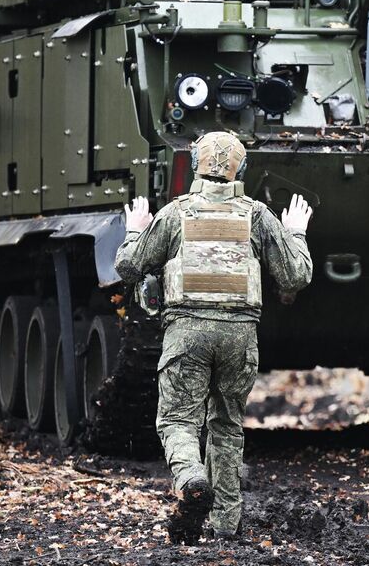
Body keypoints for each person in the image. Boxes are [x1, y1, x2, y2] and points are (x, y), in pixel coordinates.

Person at [115, 131, 313, 544]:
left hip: (187, 333)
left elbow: (130, 267)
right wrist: (295, 232)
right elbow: (295, 275)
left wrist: (135, 229)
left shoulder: (175, 213)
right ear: (241, 170)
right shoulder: (258, 215)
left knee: (177, 420)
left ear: (195, 166)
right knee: (227, 425)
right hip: (240, 335)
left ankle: (190, 479)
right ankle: (225, 523)